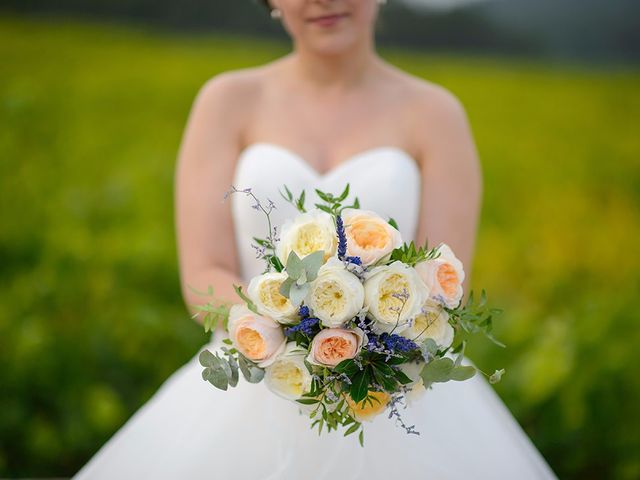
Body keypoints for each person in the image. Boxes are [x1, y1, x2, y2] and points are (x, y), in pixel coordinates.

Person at [74, 0, 558, 478]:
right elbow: (203, 272)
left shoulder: (436, 113)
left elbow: (445, 281)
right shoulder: (227, 100)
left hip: (391, 385)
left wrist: (366, 341)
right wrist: (289, 335)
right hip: (255, 376)